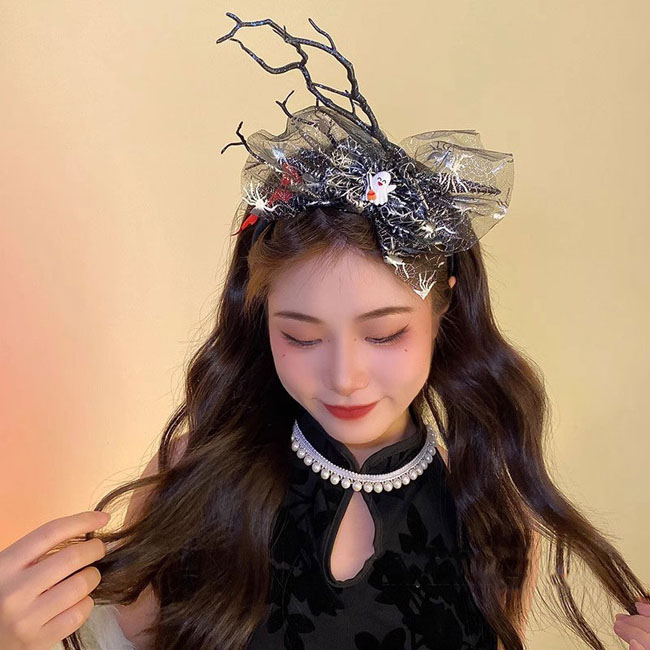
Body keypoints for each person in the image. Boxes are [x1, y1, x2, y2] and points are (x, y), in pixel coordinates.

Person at [1, 11, 649, 650]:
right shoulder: (199, 474)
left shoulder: (489, 514)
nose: (344, 377)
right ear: (261, 321)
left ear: (443, 308)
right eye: (301, 337)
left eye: (384, 334)